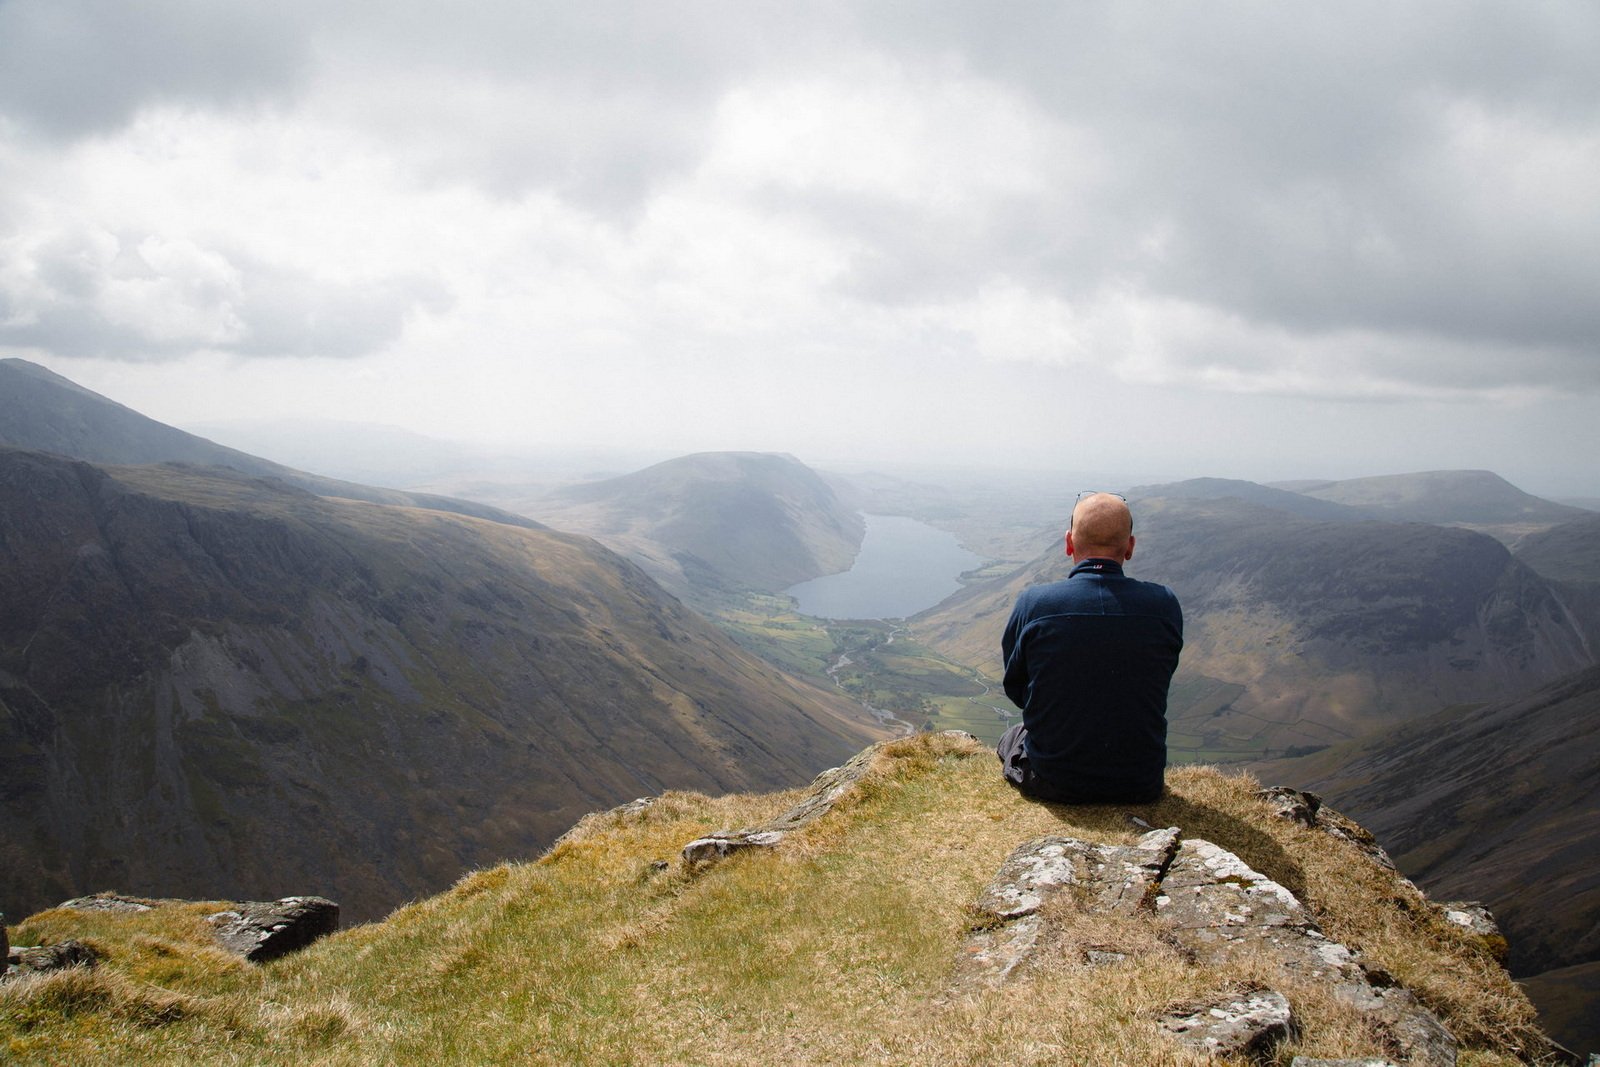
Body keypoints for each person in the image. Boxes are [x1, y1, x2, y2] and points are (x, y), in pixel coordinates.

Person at [996, 491, 1182, 803]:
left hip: (1053, 780)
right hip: (1141, 783)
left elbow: (1017, 688)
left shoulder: (1036, 604)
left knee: (1011, 737)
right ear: (1130, 547)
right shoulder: (1164, 605)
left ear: (1069, 542)